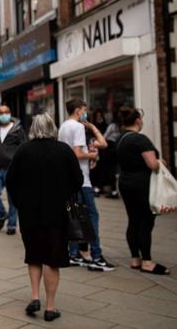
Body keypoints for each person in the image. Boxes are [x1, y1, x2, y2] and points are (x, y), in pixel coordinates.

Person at [6, 113, 84, 322]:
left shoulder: (23, 150)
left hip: (30, 214)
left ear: (33, 129)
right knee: (52, 259)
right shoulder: (64, 150)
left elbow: (11, 181)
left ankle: (34, 297)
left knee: (33, 255)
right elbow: (78, 180)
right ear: (53, 128)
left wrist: (21, 203)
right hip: (57, 215)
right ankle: (50, 306)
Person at [58, 98, 115, 271]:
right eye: (84, 109)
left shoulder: (63, 127)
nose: (85, 112)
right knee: (91, 216)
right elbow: (76, 153)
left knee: (75, 216)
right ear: (77, 110)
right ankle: (97, 256)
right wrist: (91, 156)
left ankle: (73, 254)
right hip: (82, 179)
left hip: (69, 179)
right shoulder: (77, 127)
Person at [116, 107, 170, 275]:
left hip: (125, 183)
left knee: (133, 220)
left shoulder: (121, 139)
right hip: (142, 185)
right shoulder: (140, 140)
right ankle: (147, 261)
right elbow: (152, 164)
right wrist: (162, 162)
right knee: (146, 221)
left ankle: (135, 259)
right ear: (138, 120)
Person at [0, 105, 26, 235]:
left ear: (10, 113)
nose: (4, 115)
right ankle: (2, 215)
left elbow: (24, 148)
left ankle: (12, 225)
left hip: (12, 169)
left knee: (12, 199)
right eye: (1, 113)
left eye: (6, 112)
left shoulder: (18, 129)